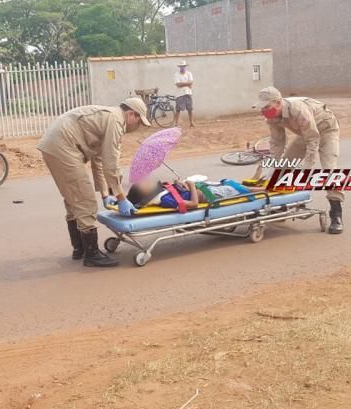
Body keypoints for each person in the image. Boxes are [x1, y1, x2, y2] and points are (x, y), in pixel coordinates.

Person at [38, 98, 151, 268]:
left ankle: (80, 249)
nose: (138, 127)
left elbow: (98, 160)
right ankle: (92, 255)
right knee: (85, 201)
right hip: (64, 146)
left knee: (74, 198)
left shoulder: (110, 118)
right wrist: (121, 197)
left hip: (56, 144)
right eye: (139, 121)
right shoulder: (115, 121)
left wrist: (105, 194)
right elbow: (111, 165)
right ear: (131, 114)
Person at [253, 87, 345, 235]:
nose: (264, 110)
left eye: (267, 107)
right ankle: (282, 205)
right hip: (306, 134)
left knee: (329, 170)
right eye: (262, 107)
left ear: (278, 102)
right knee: (284, 166)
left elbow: (313, 140)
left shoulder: (298, 110)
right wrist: (273, 168)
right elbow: (277, 143)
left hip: (326, 131)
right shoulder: (271, 116)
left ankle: (336, 213)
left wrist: (306, 169)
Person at [128, 178, 257, 211]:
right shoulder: (166, 200)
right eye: (144, 185)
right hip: (210, 195)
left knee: (232, 184)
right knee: (241, 189)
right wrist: (191, 186)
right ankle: (269, 189)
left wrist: (180, 183)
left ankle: (267, 187)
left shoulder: (162, 192)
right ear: (145, 194)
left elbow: (181, 192)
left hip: (205, 188)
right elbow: (194, 204)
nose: (147, 182)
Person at [174, 60, 196, 128]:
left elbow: (191, 82)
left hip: (188, 93)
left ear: (185, 67)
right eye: (181, 66)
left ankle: (191, 122)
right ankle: (176, 123)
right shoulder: (176, 74)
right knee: (178, 109)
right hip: (179, 94)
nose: (182, 68)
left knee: (190, 108)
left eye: (183, 66)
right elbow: (178, 84)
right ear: (179, 67)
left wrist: (182, 83)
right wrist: (187, 83)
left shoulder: (189, 73)